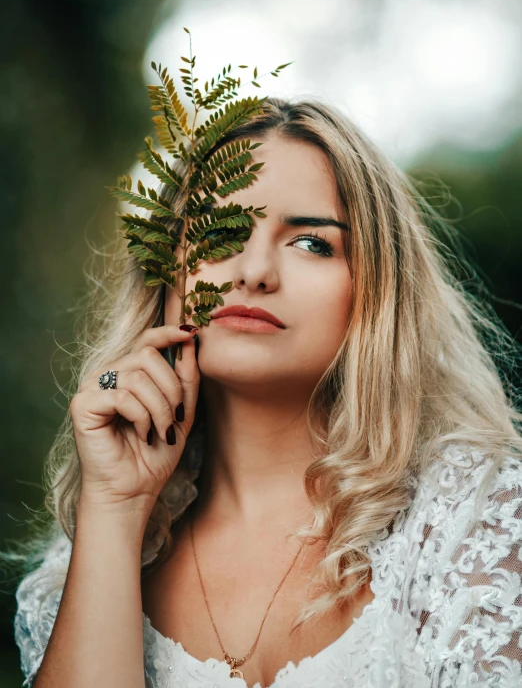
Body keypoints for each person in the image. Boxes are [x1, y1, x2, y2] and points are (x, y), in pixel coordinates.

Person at [12, 97, 522, 688]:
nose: (254, 272)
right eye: (220, 230)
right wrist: (115, 509)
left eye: (311, 243)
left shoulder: (477, 522)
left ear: (377, 292)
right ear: (169, 271)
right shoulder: (74, 568)